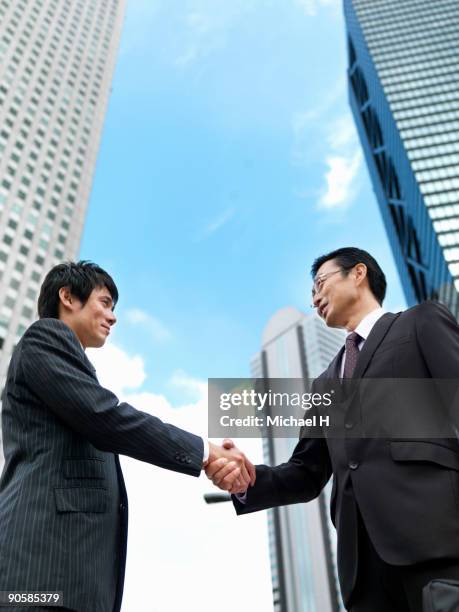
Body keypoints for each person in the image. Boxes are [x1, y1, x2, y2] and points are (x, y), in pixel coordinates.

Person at [206, 247, 459, 612]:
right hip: (362, 567)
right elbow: (307, 472)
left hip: (437, 539)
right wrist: (246, 480)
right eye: (311, 294)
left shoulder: (420, 322)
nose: (315, 298)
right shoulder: (325, 384)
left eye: (320, 284)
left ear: (358, 273)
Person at [0, 261, 254, 612]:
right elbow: (106, 417)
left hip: (72, 582)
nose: (113, 316)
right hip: (41, 575)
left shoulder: (72, 365)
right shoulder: (45, 337)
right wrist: (205, 452)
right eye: (104, 302)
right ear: (68, 297)